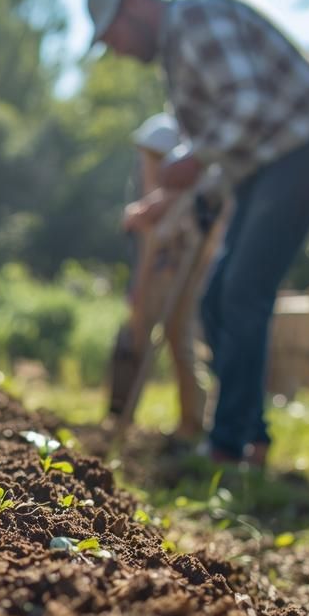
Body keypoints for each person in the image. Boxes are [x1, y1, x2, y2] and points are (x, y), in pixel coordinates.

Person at [87, 0, 309, 466]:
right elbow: (229, 151)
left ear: (134, 6)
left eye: (111, 36)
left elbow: (246, 106)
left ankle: (227, 448)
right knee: (215, 300)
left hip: (305, 146)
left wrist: (193, 159)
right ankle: (251, 436)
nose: (115, 50)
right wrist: (181, 193)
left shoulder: (194, 21)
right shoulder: (176, 55)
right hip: (265, 164)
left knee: (243, 292)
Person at [107, 112, 225, 440]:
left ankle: (192, 425)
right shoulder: (159, 200)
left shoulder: (190, 199)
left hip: (181, 262)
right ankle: (122, 416)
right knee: (139, 331)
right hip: (163, 262)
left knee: (179, 334)